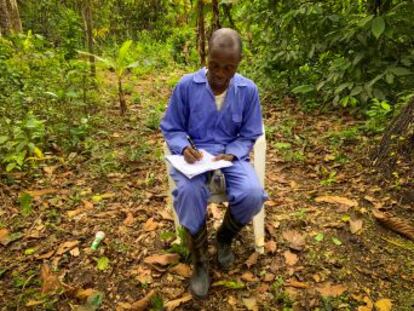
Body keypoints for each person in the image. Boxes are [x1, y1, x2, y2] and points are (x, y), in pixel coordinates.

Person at [160, 28, 267, 299]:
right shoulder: (186, 86)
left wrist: (232, 153)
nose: (220, 73)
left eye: (228, 67)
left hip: (231, 157)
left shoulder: (248, 90)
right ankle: (200, 262)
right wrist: (184, 147)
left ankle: (224, 238)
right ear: (206, 57)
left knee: (253, 194)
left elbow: (250, 132)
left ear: (239, 63)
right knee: (188, 192)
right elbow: (171, 127)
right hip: (195, 157)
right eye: (214, 65)